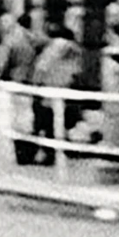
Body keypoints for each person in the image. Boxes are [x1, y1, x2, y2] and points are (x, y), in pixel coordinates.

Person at [29, 27, 87, 163]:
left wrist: (36, 86)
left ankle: (46, 153)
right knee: (56, 124)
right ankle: (52, 152)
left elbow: (40, 69)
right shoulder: (73, 50)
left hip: (47, 93)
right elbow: (77, 72)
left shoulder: (51, 49)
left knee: (44, 124)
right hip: (64, 92)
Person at [0, 12, 40, 161]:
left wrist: (1, 77)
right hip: (32, 83)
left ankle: (21, 154)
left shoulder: (11, 40)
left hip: (16, 83)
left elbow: (3, 64)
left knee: (18, 120)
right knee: (29, 119)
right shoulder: (35, 39)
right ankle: (29, 151)